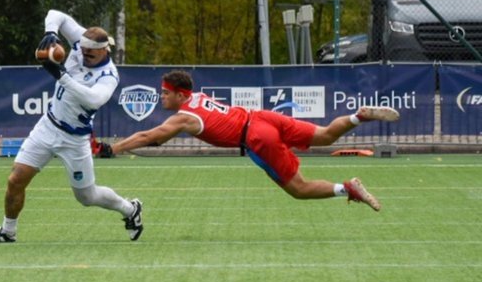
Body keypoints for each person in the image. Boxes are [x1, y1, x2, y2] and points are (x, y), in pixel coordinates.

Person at [103, 70, 400, 211]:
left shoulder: (184, 116)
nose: (161, 96)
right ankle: (358, 117)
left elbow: (149, 136)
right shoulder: (197, 97)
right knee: (325, 134)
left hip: (256, 137)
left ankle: (347, 188)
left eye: (165, 92)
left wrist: (113, 148)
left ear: (181, 95)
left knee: (299, 188)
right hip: (262, 117)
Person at [0, 9, 143, 243]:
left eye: (90, 54)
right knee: (16, 179)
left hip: (75, 139)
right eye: (82, 51)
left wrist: (61, 75)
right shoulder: (81, 42)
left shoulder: (108, 75)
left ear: (104, 49)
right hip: (48, 126)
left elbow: (93, 99)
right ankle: (7, 232)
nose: (84, 56)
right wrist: (51, 34)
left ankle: (130, 209)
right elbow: (56, 14)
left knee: (87, 196)